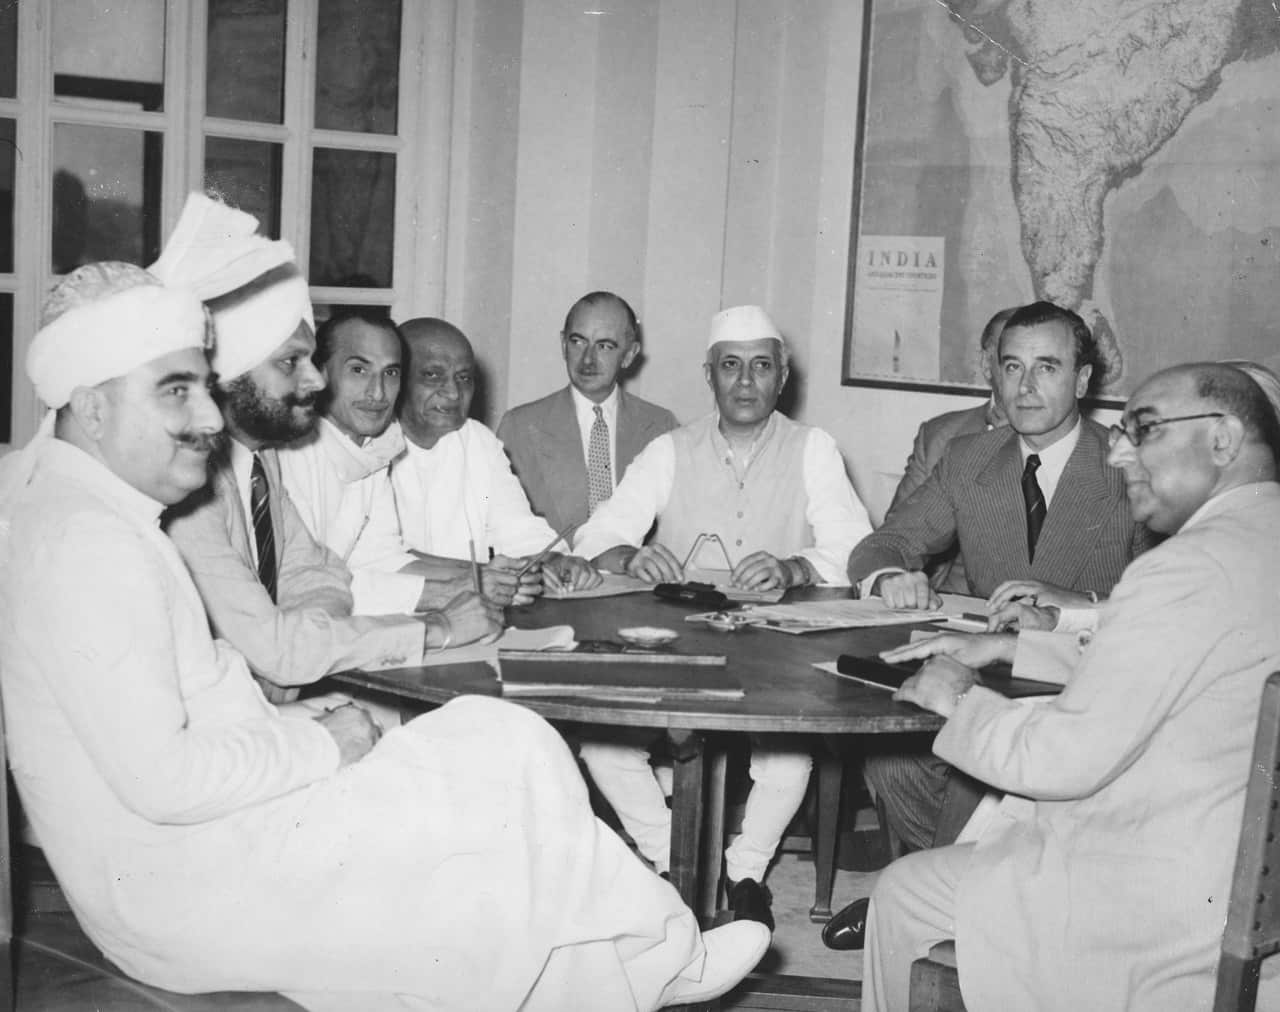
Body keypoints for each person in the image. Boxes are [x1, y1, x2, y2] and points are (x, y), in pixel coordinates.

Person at [0, 257, 772, 1011]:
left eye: (202, 389)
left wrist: (305, 710)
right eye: (175, 392)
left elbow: (320, 581)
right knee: (487, 822)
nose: (207, 418)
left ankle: (652, 959)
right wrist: (323, 744)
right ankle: (659, 960)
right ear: (91, 406)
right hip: (186, 885)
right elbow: (168, 782)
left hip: (229, 820)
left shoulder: (102, 513)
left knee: (507, 738)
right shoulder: (83, 543)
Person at [854, 362, 1280, 1011]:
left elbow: (1059, 760)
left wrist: (959, 698)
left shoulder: (1184, 566)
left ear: (1222, 440)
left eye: (1142, 430)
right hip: (1250, 879)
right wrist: (1016, 646)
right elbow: (1183, 664)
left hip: (1159, 901)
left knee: (904, 890)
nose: (1117, 450)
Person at [572, 304, 874, 929]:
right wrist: (630, 553)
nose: (744, 381)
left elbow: (856, 549)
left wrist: (796, 567)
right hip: (680, 647)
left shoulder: (813, 449)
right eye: (730, 366)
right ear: (707, 374)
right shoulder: (669, 450)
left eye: (760, 366)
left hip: (776, 650)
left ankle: (744, 872)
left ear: (782, 375)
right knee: (602, 748)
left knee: (789, 762)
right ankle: (676, 864)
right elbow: (596, 533)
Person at [843, 301, 1153, 857]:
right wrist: (892, 575)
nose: (1026, 387)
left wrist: (1074, 604)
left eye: (1047, 368)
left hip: (1088, 691)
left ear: (1082, 380)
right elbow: (882, 544)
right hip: (991, 680)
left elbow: (1162, 611)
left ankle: (942, 895)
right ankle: (954, 883)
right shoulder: (969, 459)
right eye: (1012, 367)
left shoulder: (1128, 467)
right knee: (892, 756)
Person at [164, 260, 500, 694]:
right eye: (290, 363)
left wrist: (306, 645)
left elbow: (319, 577)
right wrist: (436, 627)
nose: (316, 380)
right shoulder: (191, 492)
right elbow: (278, 647)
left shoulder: (257, 463)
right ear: (226, 377)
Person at [277, 311, 536, 614]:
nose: (377, 392)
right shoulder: (291, 455)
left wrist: (482, 577)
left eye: (390, 373)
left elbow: (383, 559)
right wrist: (461, 588)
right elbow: (305, 589)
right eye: (359, 370)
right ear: (319, 373)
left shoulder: (371, 449)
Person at [391, 316, 599, 589]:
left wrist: (551, 558)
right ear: (396, 379)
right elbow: (382, 559)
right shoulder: (370, 446)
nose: (453, 393)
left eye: (464, 378)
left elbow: (516, 527)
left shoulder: (477, 440)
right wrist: (484, 574)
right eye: (432, 375)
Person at [497, 291, 678, 535]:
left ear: (629, 355)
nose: (588, 360)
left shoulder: (661, 427)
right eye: (578, 342)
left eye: (604, 346)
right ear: (563, 344)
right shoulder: (520, 426)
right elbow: (502, 525)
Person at [886, 307, 1015, 594]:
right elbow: (895, 539)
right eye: (1012, 362)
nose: (1026, 379)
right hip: (945, 603)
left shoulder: (1091, 450)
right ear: (986, 364)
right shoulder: (939, 437)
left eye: (1043, 365)